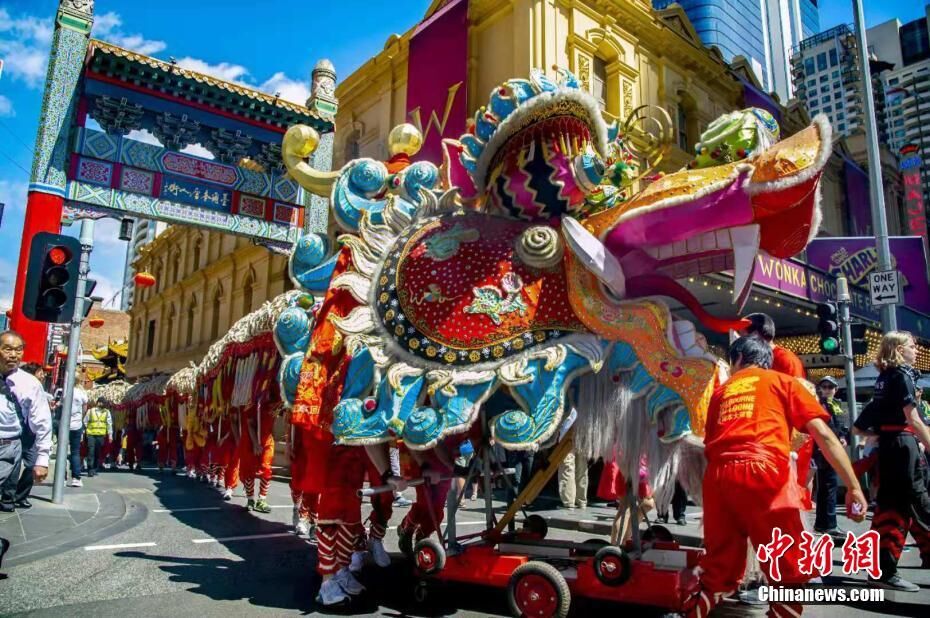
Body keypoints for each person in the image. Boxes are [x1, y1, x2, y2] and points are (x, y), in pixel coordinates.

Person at [684, 336, 867, 618]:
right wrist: (854, 486)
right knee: (789, 572)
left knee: (717, 571)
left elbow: (710, 442)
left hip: (718, 476)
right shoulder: (784, 382)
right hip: (764, 473)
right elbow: (824, 435)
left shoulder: (721, 391)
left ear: (739, 359)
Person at [852, 331, 930, 591]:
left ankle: (883, 570)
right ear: (898, 349)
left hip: (893, 445)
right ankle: (884, 571)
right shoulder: (900, 376)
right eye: (911, 345)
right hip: (902, 446)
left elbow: (859, 426)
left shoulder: (885, 378)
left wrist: (884, 434)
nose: (916, 349)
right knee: (916, 503)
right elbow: (914, 420)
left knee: (894, 509)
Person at [0, 331, 52, 568]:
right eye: (8, 349)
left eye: (18, 349)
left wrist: (42, 459)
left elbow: (42, 421)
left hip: (7, 447)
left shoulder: (29, 383)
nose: (14, 355)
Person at [812, 375, 849, 538]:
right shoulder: (819, 404)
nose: (827, 390)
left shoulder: (837, 405)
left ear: (835, 389)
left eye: (830, 387)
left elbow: (840, 426)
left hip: (833, 447)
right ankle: (828, 524)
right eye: (824, 387)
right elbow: (822, 428)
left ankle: (824, 523)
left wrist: (843, 437)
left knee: (827, 486)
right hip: (824, 449)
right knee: (828, 486)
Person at [12, 363, 51, 508]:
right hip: (14, 433)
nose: (43, 375)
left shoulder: (38, 389)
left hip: (30, 434)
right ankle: (8, 497)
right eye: (40, 372)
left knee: (33, 463)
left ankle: (20, 495)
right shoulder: (15, 385)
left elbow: (43, 418)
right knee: (12, 467)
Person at [739, 312, 805, 378]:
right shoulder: (754, 359)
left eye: (743, 336)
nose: (741, 342)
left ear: (755, 335)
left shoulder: (786, 359)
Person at [83, 397, 112, 477]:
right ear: (98, 403)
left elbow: (109, 424)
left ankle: (95, 468)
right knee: (90, 451)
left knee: (97, 452)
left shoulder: (107, 412)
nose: (104, 404)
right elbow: (85, 421)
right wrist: (86, 431)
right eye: (103, 403)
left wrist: (110, 435)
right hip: (91, 434)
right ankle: (90, 469)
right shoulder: (91, 411)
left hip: (101, 435)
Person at [68, 377, 88, 486]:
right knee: (75, 452)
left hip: (64, 425)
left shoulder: (65, 391)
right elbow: (85, 408)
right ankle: (76, 478)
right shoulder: (82, 393)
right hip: (76, 425)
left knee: (62, 451)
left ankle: (62, 476)